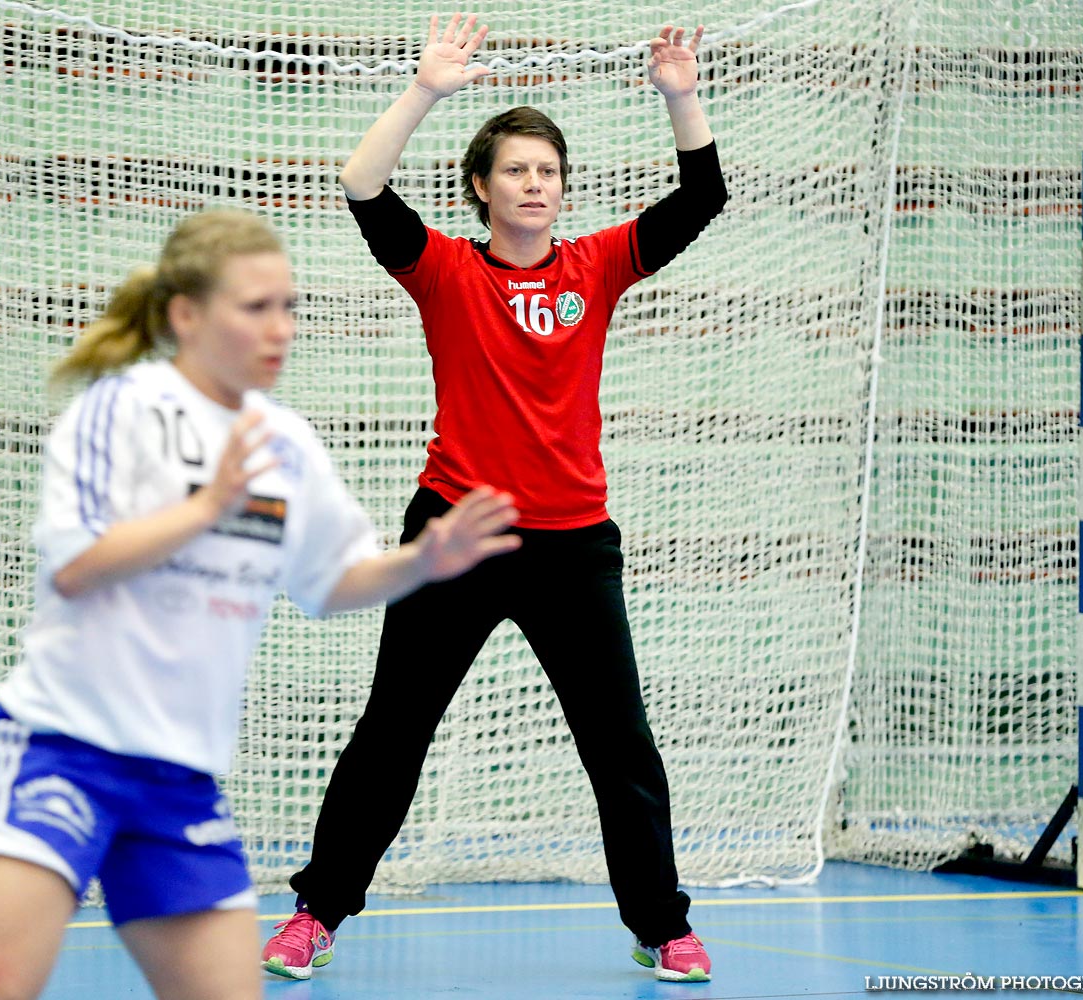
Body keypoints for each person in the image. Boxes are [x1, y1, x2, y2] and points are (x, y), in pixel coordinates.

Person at [261, 12, 727, 984]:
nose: (534, 184)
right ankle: (316, 911)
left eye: (547, 170)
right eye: (516, 169)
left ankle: (660, 923)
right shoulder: (445, 271)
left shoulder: (597, 266)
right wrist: (426, 88)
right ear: (481, 187)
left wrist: (679, 94)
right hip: (453, 536)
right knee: (393, 733)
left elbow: (702, 195)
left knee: (621, 749)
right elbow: (361, 185)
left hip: (573, 543)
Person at [0, 207, 520, 1000]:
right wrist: (205, 508)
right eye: (256, 308)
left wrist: (420, 562)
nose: (281, 329)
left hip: (179, 782)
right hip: (63, 751)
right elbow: (77, 568)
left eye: (289, 308)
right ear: (187, 314)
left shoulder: (286, 443)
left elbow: (330, 583)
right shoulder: (118, 411)